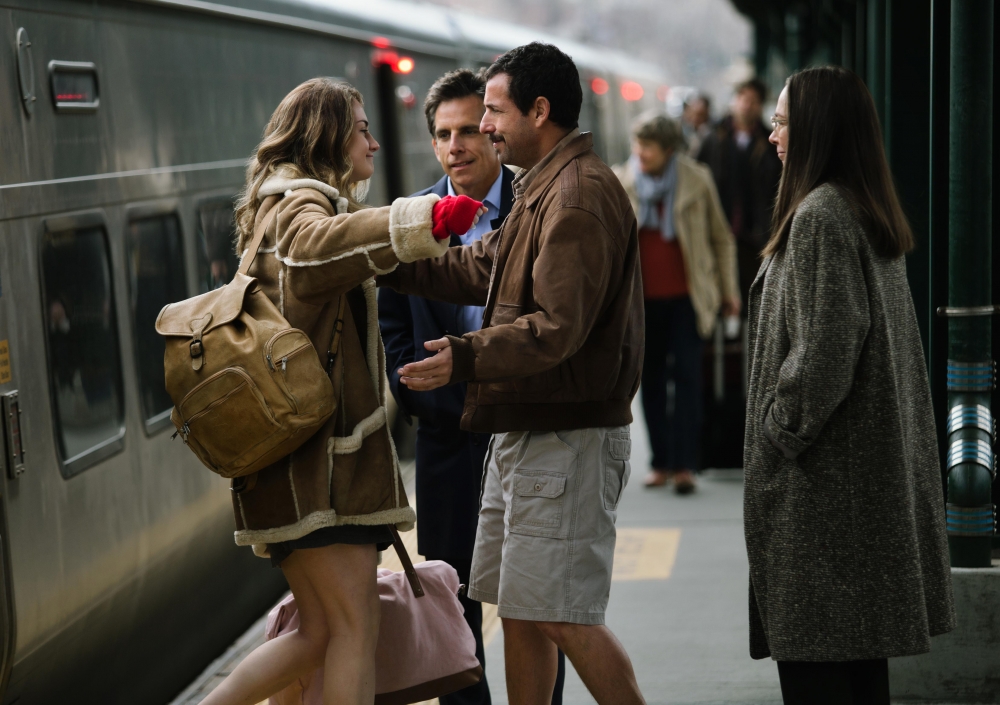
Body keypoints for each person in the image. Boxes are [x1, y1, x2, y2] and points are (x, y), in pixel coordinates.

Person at [378, 42, 646, 705]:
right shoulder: (546, 186)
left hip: (567, 435)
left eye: (493, 112)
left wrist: (464, 356)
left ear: (540, 110)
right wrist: (379, 259)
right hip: (534, 429)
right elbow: (479, 264)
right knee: (525, 609)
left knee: (560, 612)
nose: (486, 129)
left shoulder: (577, 197)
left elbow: (556, 326)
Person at [202, 78, 481, 705]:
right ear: (329, 134)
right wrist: (424, 218)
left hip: (303, 466)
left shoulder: (280, 204)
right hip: (322, 472)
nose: (374, 142)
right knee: (353, 624)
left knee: (324, 628)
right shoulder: (299, 207)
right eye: (361, 128)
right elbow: (316, 250)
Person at [745, 65, 955, 705]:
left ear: (815, 129)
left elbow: (827, 346)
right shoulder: (858, 208)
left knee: (820, 675)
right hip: (855, 500)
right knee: (859, 675)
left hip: (826, 507)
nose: (773, 135)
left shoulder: (818, 217)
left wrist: (778, 433)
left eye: (782, 121)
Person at [378, 68, 566, 705]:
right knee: (453, 608)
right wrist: (428, 404)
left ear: (492, 134)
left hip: (524, 436)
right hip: (447, 443)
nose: (455, 145)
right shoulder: (412, 224)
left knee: (536, 602)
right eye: (441, 134)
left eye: (467, 130)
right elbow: (393, 327)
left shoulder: (539, 204)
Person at [612, 113, 739, 494]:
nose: (640, 153)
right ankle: (661, 462)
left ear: (668, 149)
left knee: (687, 378)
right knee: (649, 381)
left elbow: (721, 238)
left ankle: (686, 464)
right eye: (637, 145)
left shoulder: (696, 179)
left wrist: (729, 291)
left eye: (648, 146)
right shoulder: (623, 181)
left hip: (688, 299)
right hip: (641, 303)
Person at [696, 78, 782, 304]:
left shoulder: (769, 142)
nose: (747, 105)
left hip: (755, 234)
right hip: (718, 228)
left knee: (754, 296)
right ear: (734, 101)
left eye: (754, 101)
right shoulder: (713, 138)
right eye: (743, 99)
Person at [680, 93, 711, 157]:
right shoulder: (682, 130)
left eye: (700, 115)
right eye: (694, 113)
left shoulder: (708, 136)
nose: (696, 118)